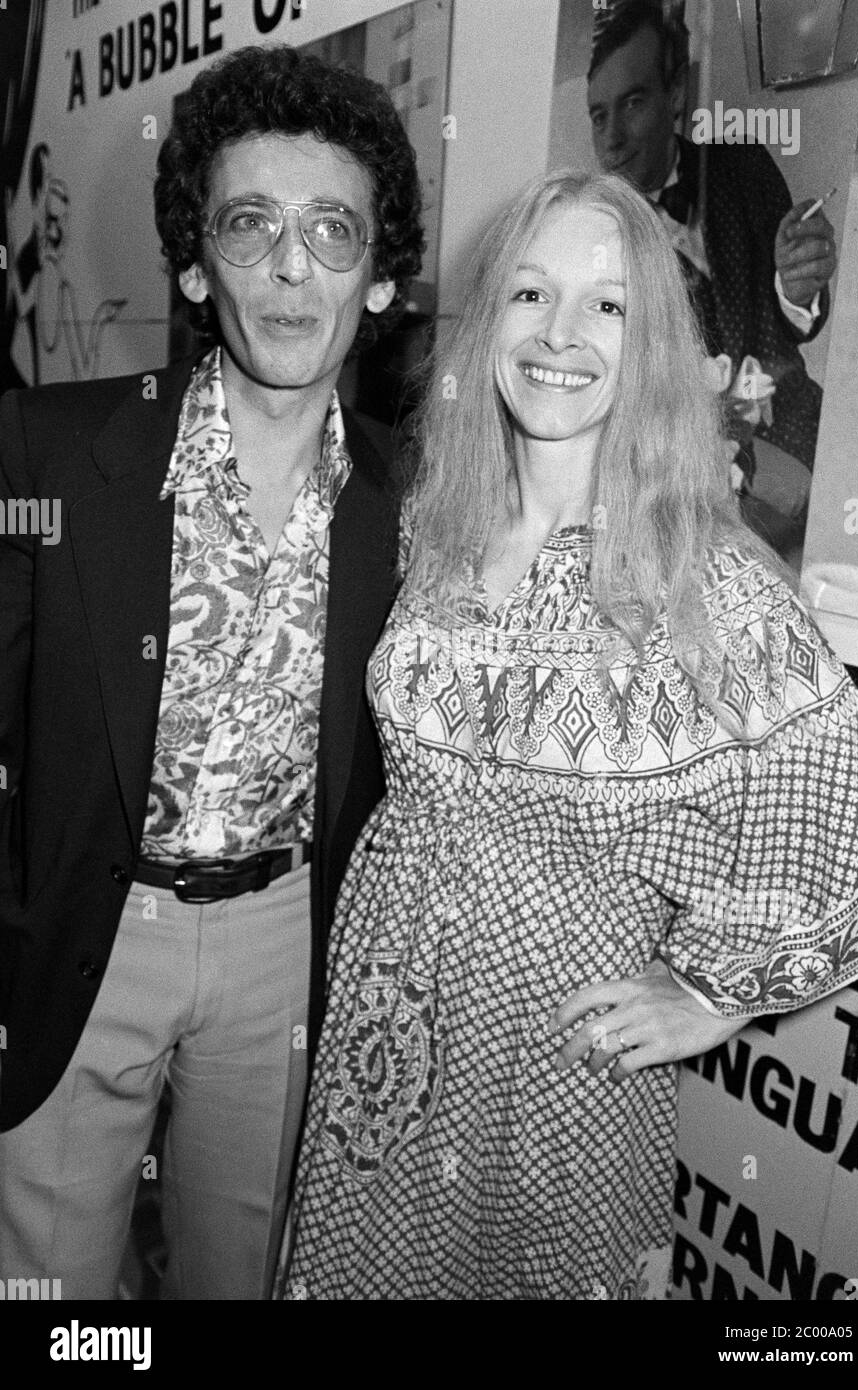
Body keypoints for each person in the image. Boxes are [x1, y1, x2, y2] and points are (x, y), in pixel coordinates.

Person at [278, 169, 858, 1300]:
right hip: (388, 1024)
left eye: (606, 306)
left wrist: (712, 993)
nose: (561, 334)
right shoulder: (432, 526)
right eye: (530, 295)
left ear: (649, 340)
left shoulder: (703, 583)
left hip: (561, 1060)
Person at [0, 45, 423, 1299]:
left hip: (285, 946)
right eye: (251, 225)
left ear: (380, 275)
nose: (293, 267)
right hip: (86, 923)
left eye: (334, 229)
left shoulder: (419, 504)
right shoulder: (49, 450)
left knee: (241, 1277)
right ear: (194, 261)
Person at [587, 0, 836, 492]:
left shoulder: (744, 167)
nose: (612, 139)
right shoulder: (593, 234)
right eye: (598, 116)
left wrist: (797, 287)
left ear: (675, 93)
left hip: (801, 445)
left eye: (633, 103)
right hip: (682, 481)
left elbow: (794, 321)